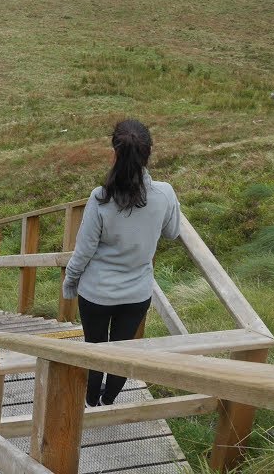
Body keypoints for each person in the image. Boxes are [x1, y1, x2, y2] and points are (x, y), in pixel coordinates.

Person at [62, 119, 180, 408]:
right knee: (122, 351)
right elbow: (173, 232)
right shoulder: (164, 194)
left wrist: (70, 283)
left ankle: (91, 401)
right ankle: (109, 400)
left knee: (96, 350)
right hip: (137, 293)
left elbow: (84, 250)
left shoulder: (101, 199)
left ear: (113, 152)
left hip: (96, 293)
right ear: (149, 153)